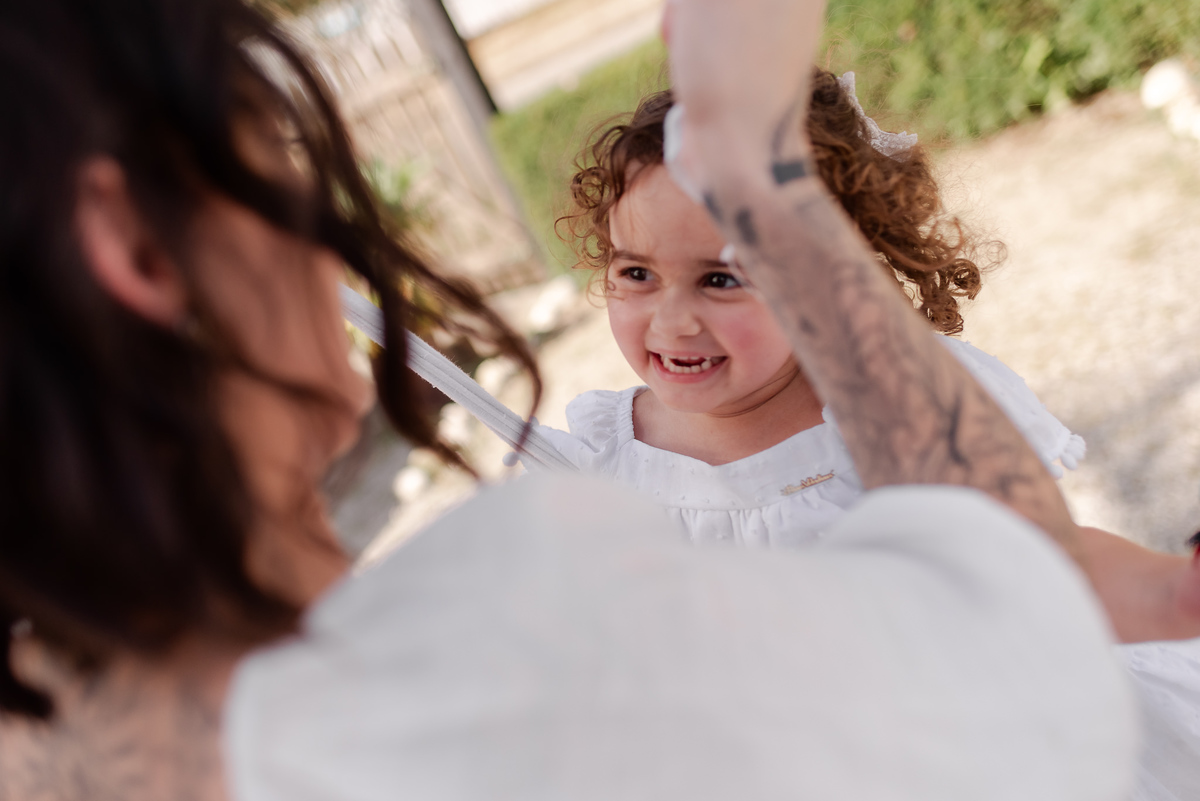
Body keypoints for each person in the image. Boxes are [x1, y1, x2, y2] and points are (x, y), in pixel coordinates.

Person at [0, 0, 1141, 798]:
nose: (326, 246)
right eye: (290, 185)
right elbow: (1017, 651)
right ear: (139, 252)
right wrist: (752, 166)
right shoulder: (526, 617)